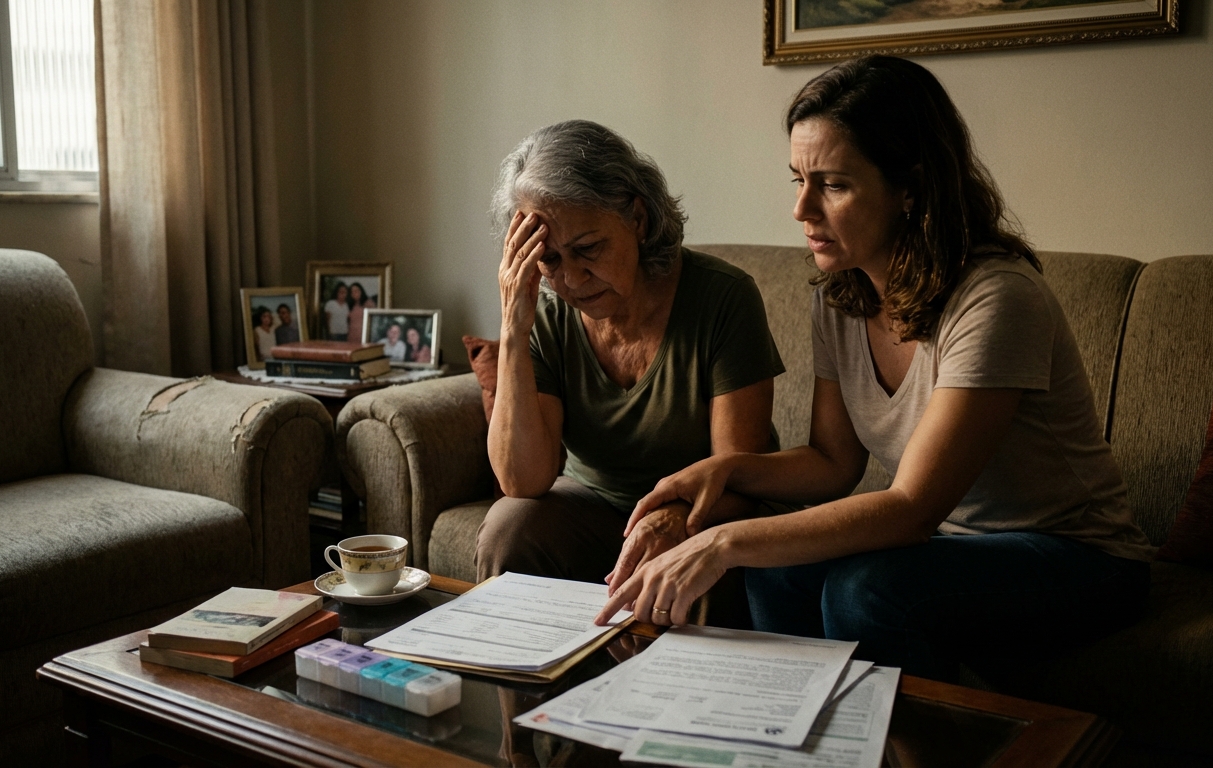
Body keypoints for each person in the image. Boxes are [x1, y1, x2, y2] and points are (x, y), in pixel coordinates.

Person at [595, 56, 1154, 682]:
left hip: (1079, 555)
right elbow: (834, 462)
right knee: (774, 571)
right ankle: (786, 726)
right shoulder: (841, 298)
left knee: (866, 591)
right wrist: (726, 470)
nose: (802, 209)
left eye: (833, 185)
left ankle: (900, 735)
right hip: (949, 543)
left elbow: (912, 507)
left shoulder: (997, 298)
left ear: (909, 188)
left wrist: (724, 541)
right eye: (798, 180)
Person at [483, 119, 785, 585]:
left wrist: (673, 518)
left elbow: (739, 476)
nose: (572, 279)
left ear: (638, 220)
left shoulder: (723, 298)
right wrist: (512, 332)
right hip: (597, 508)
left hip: (710, 509)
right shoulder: (543, 313)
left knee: (700, 560)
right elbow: (522, 482)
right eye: (550, 259)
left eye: (588, 248)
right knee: (509, 527)